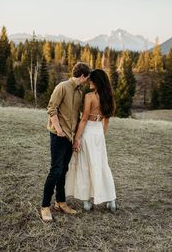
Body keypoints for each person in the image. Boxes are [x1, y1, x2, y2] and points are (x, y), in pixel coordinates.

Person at [41, 62, 91, 222]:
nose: (87, 81)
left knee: (63, 171)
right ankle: (45, 206)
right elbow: (51, 108)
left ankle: (60, 202)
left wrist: (75, 137)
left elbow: (77, 116)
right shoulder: (62, 87)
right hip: (58, 136)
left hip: (70, 137)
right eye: (87, 78)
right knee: (55, 170)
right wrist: (59, 130)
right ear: (83, 76)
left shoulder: (79, 91)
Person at [65, 69, 117, 213]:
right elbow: (106, 120)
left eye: (91, 80)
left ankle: (87, 202)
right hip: (99, 132)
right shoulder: (109, 97)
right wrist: (102, 137)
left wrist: (77, 138)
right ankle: (111, 200)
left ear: (97, 81)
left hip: (88, 131)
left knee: (85, 164)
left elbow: (84, 119)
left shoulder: (90, 96)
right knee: (101, 165)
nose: (89, 82)